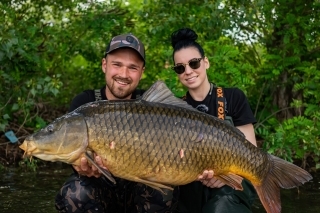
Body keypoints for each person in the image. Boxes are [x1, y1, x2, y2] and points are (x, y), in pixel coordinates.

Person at [55, 33, 178, 213]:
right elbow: (71, 151)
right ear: (104, 65)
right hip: (101, 191)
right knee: (74, 194)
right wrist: (79, 165)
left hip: (141, 190)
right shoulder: (84, 103)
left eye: (132, 67)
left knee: (164, 191)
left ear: (142, 72)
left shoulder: (155, 107)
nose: (123, 74)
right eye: (117, 64)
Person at [170, 28, 258, 213]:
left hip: (232, 184)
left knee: (220, 207)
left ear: (206, 62)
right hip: (190, 186)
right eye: (180, 67)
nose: (188, 71)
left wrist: (226, 175)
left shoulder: (233, 97)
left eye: (194, 63)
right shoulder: (174, 109)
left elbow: (252, 153)